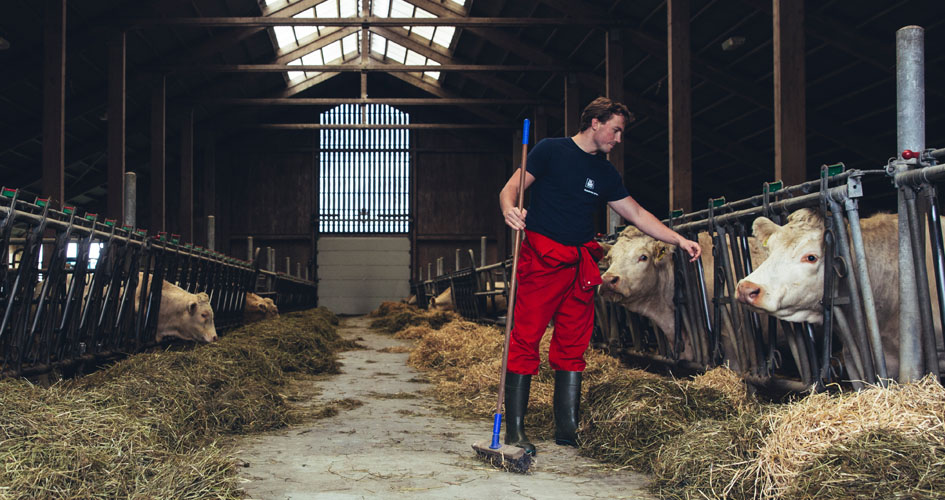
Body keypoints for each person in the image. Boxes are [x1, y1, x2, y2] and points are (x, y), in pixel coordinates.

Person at [498, 96, 701, 456]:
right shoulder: (550, 151)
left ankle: (568, 428)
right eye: (616, 130)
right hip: (543, 259)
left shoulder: (606, 172)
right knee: (525, 337)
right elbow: (510, 188)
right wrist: (510, 209)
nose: (619, 139)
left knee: (574, 343)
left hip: (580, 264)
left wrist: (678, 238)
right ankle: (514, 430)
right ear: (595, 122)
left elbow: (636, 212)